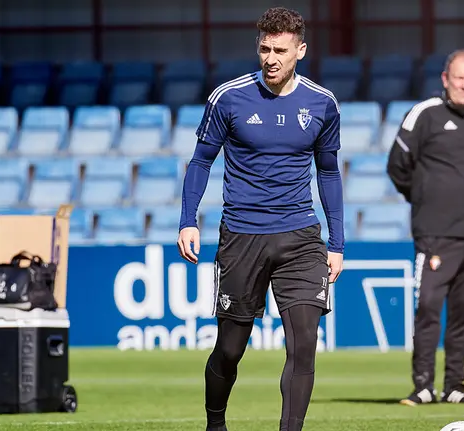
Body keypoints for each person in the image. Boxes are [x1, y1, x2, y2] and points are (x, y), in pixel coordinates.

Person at [176, 7, 344, 431]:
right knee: (231, 349)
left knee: (304, 344)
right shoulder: (227, 98)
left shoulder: (322, 104)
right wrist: (187, 219)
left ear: (300, 51)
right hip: (242, 238)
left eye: (281, 50)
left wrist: (337, 243)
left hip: (301, 239)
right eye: (265, 48)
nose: (271, 58)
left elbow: (328, 171)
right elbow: (200, 161)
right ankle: (216, 425)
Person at [387, 49, 464, 406]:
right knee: (429, 310)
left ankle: (455, 386)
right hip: (436, 235)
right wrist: (426, 200)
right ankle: (423, 386)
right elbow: (397, 166)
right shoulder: (424, 115)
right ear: (445, 79)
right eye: (459, 78)